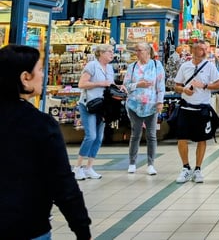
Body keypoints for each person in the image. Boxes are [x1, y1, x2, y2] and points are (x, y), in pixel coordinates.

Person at [1, 44, 92, 240]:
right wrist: (82, 229)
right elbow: (61, 182)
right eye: (40, 70)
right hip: (27, 226)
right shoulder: (40, 124)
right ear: (25, 77)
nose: (43, 75)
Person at [173, 40, 219, 184]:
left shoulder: (210, 67)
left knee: (202, 138)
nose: (202, 51)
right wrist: (184, 90)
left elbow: (218, 84)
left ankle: (198, 168)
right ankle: (185, 167)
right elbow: (177, 85)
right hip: (185, 107)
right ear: (193, 50)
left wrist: (204, 85)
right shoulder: (185, 66)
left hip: (202, 108)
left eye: (204, 49)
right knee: (182, 138)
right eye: (200, 49)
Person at [75, 43, 119, 180]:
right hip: (89, 104)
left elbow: (109, 85)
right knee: (91, 136)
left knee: (99, 137)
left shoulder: (110, 68)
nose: (112, 54)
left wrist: (118, 87)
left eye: (113, 52)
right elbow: (81, 84)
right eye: (109, 52)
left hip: (102, 106)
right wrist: (100, 84)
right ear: (101, 53)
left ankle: (89, 167)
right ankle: (77, 167)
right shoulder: (92, 66)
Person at [124, 42, 165, 175]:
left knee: (151, 135)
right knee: (135, 134)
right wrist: (138, 85)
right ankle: (132, 162)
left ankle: (151, 164)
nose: (137, 53)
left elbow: (160, 85)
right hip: (134, 104)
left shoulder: (156, 65)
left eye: (140, 50)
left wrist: (160, 102)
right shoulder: (132, 67)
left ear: (147, 51)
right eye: (136, 50)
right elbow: (126, 86)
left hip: (151, 105)